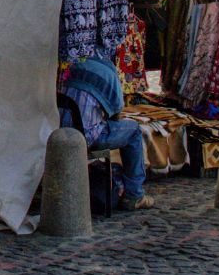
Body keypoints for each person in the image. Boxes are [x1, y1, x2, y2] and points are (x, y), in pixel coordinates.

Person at [59, 55, 152, 212]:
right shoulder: (108, 73)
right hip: (86, 137)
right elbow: (116, 114)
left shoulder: (71, 67)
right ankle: (134, 194)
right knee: (134, 131)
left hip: (59, 133)